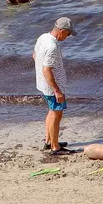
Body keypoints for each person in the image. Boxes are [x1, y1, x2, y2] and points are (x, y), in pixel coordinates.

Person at [34, 17, 74, 153]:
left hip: (43, 84)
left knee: (51, 113)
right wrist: (56, 90)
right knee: (56, 115)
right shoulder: (52, 47)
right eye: (68, 34)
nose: (67, 37)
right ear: (61, 31)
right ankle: (55, 147)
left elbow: (34, 55)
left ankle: (49, 141)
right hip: (52, 88)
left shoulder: (43, 37)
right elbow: (47, 70)